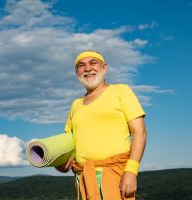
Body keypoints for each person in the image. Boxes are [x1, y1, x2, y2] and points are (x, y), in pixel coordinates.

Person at [56, 50, 147, 200]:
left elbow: (140, 132)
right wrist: (60, 163)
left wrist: (131, 171)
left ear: (104, 68)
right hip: (84, 179)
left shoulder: (121, 91)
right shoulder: (75, 104)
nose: (87, 68)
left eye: (93, 63)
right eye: (81, 65)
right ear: (76, 72)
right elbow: (69, 144)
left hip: (115, 176)